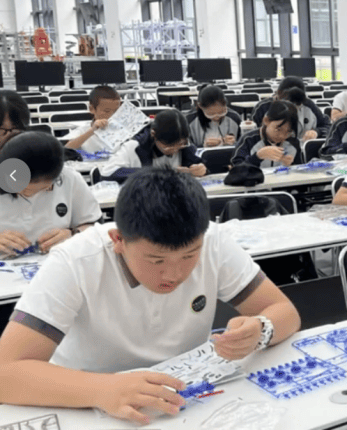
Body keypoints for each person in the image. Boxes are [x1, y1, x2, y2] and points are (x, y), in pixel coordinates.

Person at [0, 167, 301, 425]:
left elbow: (284, 310)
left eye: (190, 256)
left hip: (185, 399)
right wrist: (103, 389)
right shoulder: (76, 261)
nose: (174, 274)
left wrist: (261, 329)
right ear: (118, 240)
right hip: (87, 405)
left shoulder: (213, 242)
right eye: (156, 260)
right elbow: (6, 372)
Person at [0, 133, 102, 256]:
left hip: (56, 260)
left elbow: (95, 226)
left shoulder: (69, 178)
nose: (28, 195)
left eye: (43, 189)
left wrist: (73, 234)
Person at [100, 109, 206, 183]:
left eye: (179, 146)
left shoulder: (184, 145)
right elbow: (107, 174)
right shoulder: (134, 147)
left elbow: (199, 163)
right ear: (153, 134)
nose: (174, 151)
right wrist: (156, 172)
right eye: (168, 147)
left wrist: (201, 169)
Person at [251, 76, 330, 140]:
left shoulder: (308, 105)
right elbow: (252, 135)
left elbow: (327, 126)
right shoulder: (262, 108)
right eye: (289, 103)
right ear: (278, 94)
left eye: (298, 104)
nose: (293, 108)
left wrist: (316, 132)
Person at [232, 100, 304, 168]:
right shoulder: (249, 140)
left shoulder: (293, 142)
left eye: (288, 131)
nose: (282, 136)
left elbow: (301, 169)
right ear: (266, 120)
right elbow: (236, 170)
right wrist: (257, 157)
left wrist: (291, 165)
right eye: (278, 129)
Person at [65, 85, 122, 153]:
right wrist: (92, 131)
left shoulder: (122, 129)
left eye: (116, 111)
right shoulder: (83, 130)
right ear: (91, 109)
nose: (112, 115)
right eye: (106, 111)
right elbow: (66, 149)